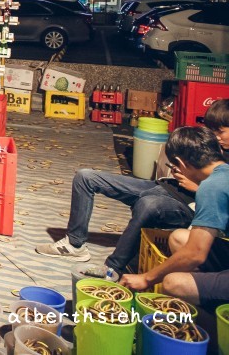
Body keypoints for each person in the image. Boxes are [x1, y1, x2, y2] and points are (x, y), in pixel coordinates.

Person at [36, 100, 229, 281]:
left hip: (188, 206)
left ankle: (112, 269)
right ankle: (74, 243)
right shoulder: (213, 146)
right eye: (211, 130)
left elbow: (214, 204)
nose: (215, 136)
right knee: (85, 176)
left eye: (220, 131)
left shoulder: (217, 164)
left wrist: (195, 185)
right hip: (167, 187)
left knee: (148, 203)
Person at [120, 126, 229, 309]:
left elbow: (195, 254)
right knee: (179, 238)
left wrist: (146, 278)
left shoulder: (211, 188)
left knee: (173, 282)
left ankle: (212, 332)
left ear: (180, 163)